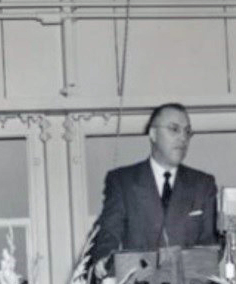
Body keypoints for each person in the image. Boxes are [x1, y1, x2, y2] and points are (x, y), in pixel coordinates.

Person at [92, 103, 218, 265]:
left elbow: (211, 246)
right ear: (153, 134)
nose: (183, 138)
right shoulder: (122, 182)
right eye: (174, 129)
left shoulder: (203, 185)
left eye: (187, 132)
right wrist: (104, 263)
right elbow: (108, 234)